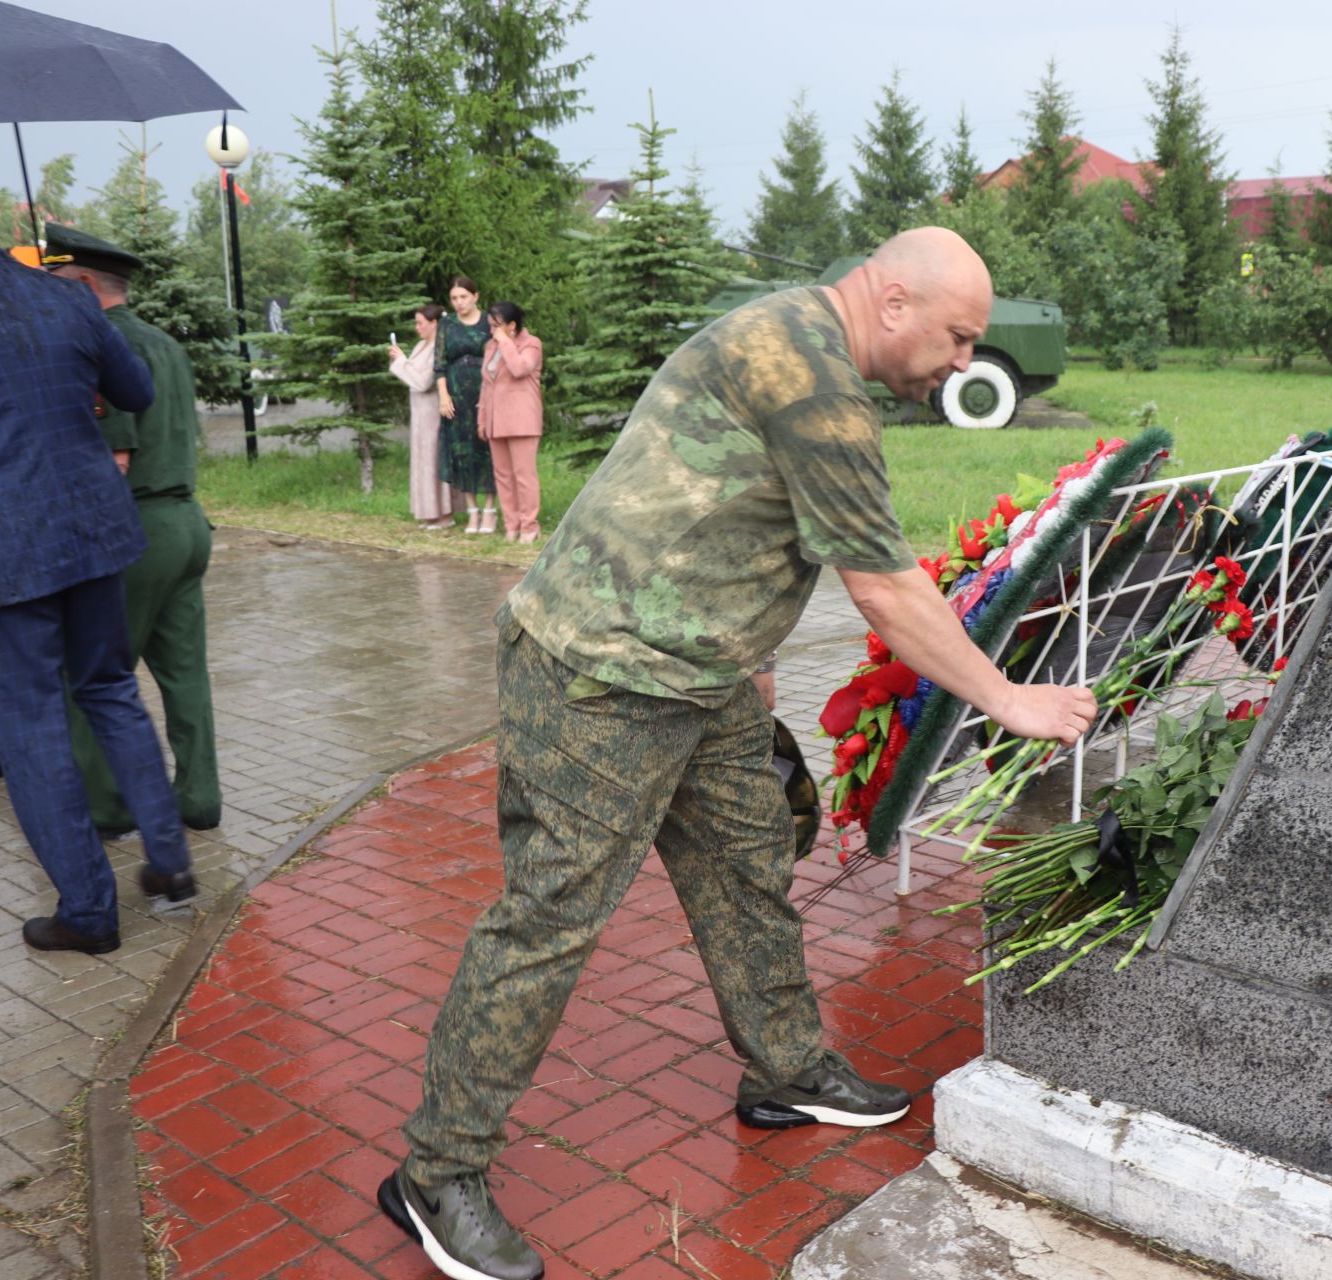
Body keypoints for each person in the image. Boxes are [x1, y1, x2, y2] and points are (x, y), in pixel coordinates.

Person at [378, 226, 1097, 1280]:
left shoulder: (794, 328)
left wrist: (747, 650)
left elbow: (705, 496)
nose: (959, 362)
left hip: (696, 671)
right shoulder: (813, 382)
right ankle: (434, 1170)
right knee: (548, 918)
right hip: (601, 673)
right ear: (892, 299)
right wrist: (1007, 699)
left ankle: (785, 1068)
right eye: (955, 337)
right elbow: (888, 587)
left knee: (748, 862)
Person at [0, 141, 194, 955]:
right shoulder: (67, 296)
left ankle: (88, 911)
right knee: (111, 690)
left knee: (31, 725)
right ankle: (170, 865)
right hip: (91, 529)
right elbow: (135, 391)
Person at [476, 301, 543, 545]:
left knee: (523, 476)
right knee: (503, 476)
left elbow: (519, 369)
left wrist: (505, 342)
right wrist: (482, 419)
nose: (492, 330)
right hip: (496, 420)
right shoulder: (490, 346)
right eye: (491, 326)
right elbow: (486, 385)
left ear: (512, 325)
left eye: (497, 326)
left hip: (522, 419)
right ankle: (511, 525)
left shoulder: (531, 344)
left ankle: (529, 526)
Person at [436, 277, 496, 535]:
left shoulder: (488, 321)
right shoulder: (446, 324)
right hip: (457, 396)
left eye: (464, 297)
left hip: (486, 393)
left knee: (488, 450)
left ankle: (491, 510)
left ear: (475, 296)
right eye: (454, 298)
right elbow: (439, 363)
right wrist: (443, 395)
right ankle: (472, 511)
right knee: (462, 452)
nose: (459, 303)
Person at [392, 304, 456, 530]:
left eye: (420, 322)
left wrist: (400, 362)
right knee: (423, 461)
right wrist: (402, 362)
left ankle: (445, 514)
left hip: (432, 412)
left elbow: (422, 381)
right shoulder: (421, 345)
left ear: (434, 323)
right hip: (419, 413)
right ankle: (430, 513)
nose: (417, 327)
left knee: (434, 461)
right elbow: (412, 375)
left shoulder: (440, 347)